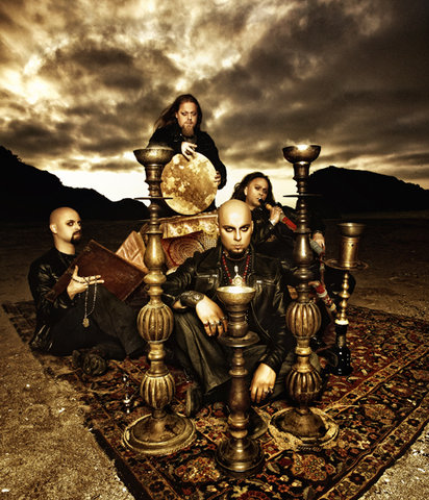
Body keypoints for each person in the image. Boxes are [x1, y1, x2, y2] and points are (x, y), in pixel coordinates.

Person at [162, 200, 305, 432]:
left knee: (307, 365)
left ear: (252, 227)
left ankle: (215, 390)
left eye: (244, 229)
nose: (238, 237)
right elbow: (163, 289)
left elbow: (284, 325)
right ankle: (237, 397)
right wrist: (196, 298)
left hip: (252, 351)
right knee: (180, 316)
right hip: (211, 349)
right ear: (218, 228)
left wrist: (269, 364)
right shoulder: (201, 263)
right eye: (229, 229)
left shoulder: (270, 267)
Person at [231, 172, 355, 347]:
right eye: (257, 188)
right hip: (271, 267)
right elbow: (246, 243)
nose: (261, 194)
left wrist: (317, 232)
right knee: (311, 280)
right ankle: (311, 332)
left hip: (298, 262)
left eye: (265, 191)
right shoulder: (237, 213)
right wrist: (271, 223)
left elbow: (307, 217)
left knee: (346, 280)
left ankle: (325, 326)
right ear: (245, 189)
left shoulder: (274, 210)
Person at [28, 207, 145, 376]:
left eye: (79, 223)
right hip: (59, 333)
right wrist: (70, 292)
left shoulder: (88, 258)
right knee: (97, 291)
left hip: (90, 323)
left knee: (132, 303)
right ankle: (140, 347)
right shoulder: (42, 266)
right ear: (54, 228)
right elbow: (45, 312)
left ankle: (94, 354)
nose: (77, 227)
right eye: (70, 224)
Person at [147, 94, 227, 211]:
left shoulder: (205, 140)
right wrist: (178, 146)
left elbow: (218, 166)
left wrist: (220, 177)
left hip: (201, 206)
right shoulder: (162, 134)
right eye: (184, 114)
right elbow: (150, 154)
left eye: (193, 114)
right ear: (176, 114)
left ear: (198, 116)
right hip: (169, 206)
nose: (189, 118)